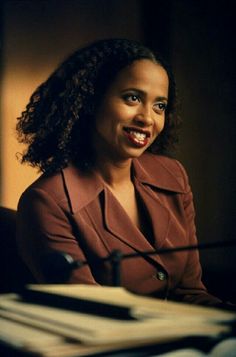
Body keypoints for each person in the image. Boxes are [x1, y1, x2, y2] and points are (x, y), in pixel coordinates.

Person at [16, 38, 221, 306]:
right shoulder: (47, 201)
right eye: (132, 98)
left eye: (159, 105)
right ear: (91, 100)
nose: (147, 118)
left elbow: (191, 294)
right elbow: (89, 311)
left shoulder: (173, 175)